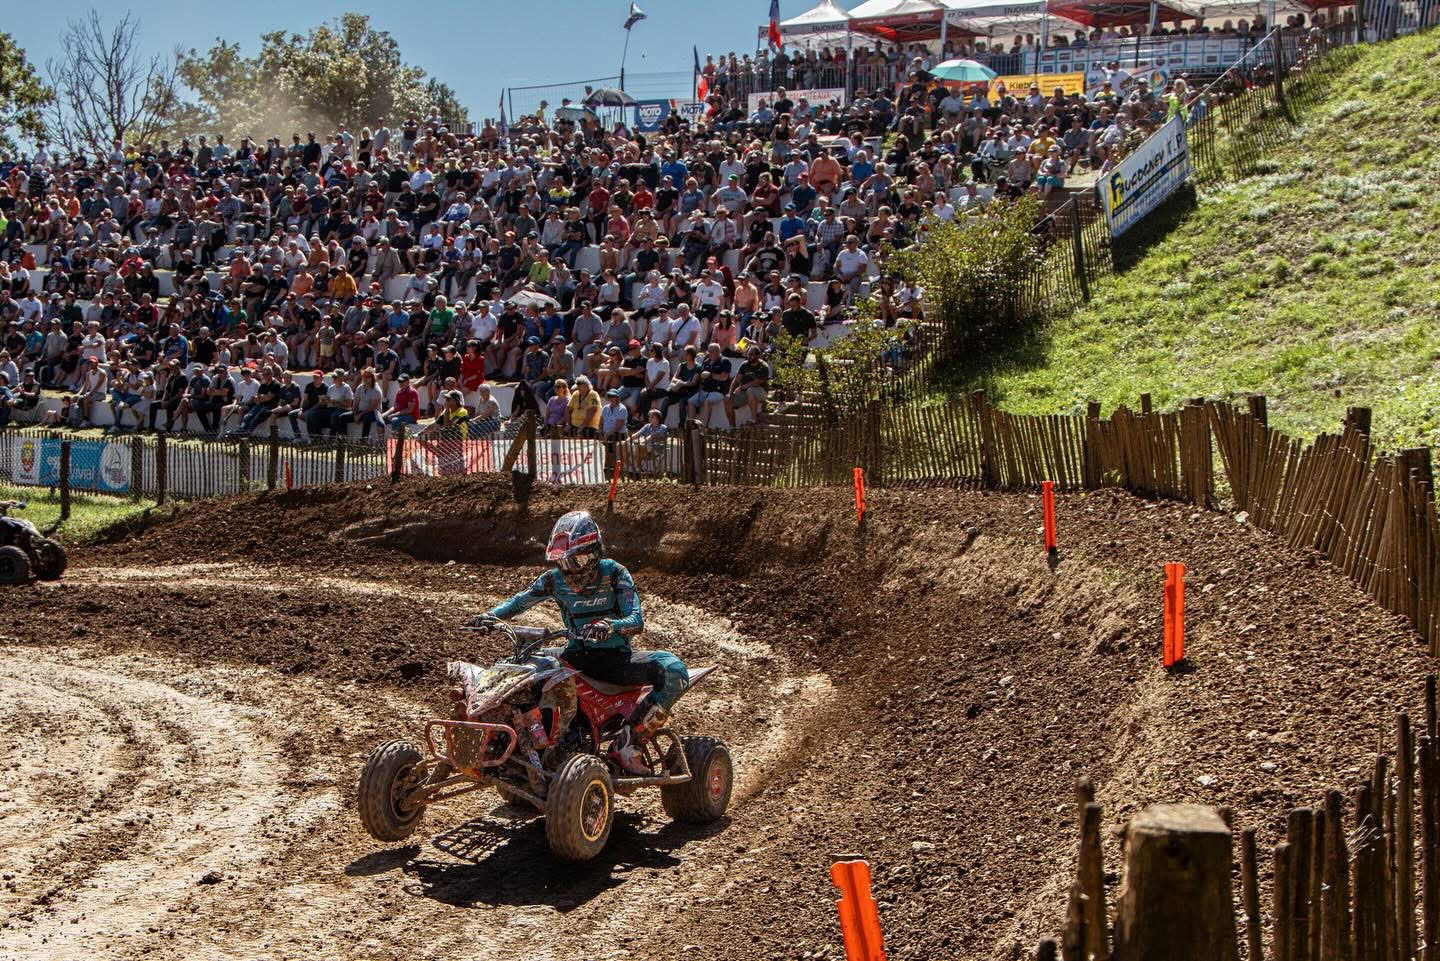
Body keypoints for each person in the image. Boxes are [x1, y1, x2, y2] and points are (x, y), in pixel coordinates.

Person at [474, 511, 689, 775]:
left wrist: (611, 626)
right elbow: (519, 602)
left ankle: (629, 741)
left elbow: (636, 619)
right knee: (521, 666)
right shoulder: (554, 579)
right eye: (563, 562)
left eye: (577, 560)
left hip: (614, 661)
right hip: (574, 655)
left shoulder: (614, 573)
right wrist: (489, 617)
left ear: (595, 552)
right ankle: (510, 740)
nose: (570, 569)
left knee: (674, 670)